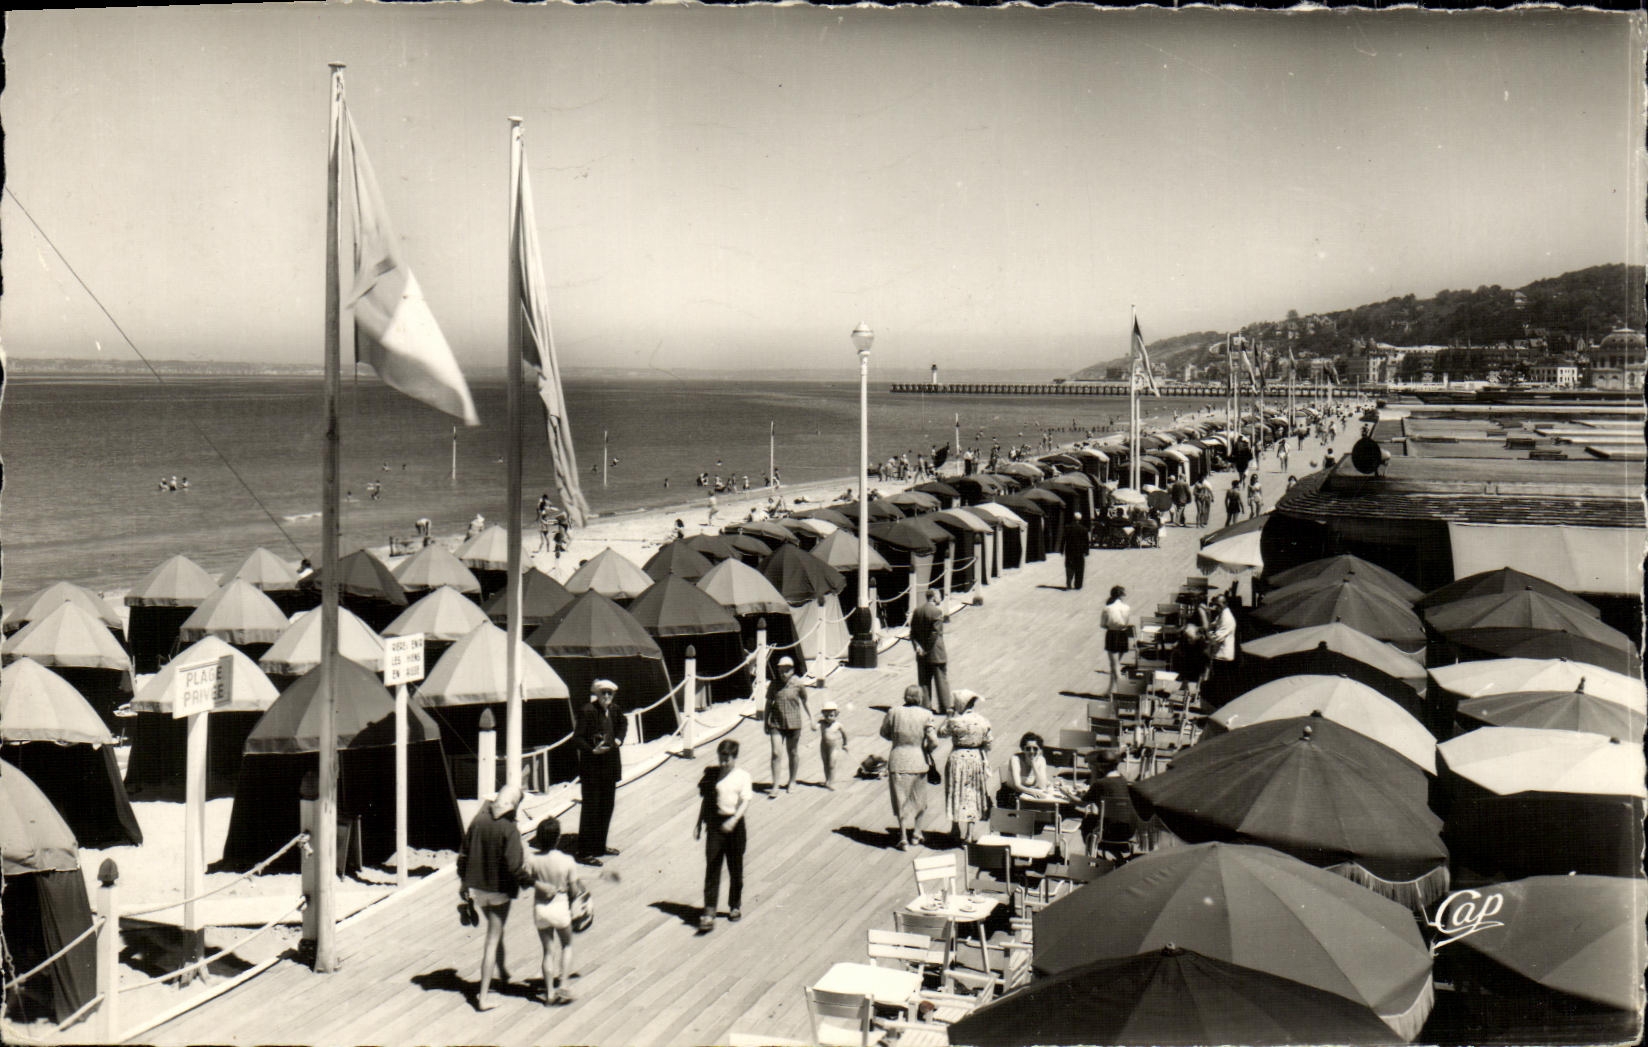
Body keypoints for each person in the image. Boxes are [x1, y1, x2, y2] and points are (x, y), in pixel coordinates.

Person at [458, 784, 526, 1012]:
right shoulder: (509, 829)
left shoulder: (478, 821)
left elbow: (463, 856)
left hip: (477, 889)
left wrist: (463, 884)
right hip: (498, 890)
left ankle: (503, 972)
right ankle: (483, 997)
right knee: (492, 938)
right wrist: (531, 881)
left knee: (495, 931)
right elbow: (514, 866)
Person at [696, 738, 753, 932]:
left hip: (734, 826)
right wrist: (698, 823)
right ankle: (709, 910)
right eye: (721, 757)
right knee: (712, 866)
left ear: (734, 757)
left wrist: (733, 820)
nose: (723, 762)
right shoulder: (712, 774)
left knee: (735, 868)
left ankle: (734, 905)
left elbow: (745, 801)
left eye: (727, 758)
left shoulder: (743, 776)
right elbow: (706, 801)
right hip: (715, 825)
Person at [523, 816, 581, 1006]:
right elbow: (573, 891)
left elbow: (526, 880)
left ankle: (548, 994)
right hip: (560, 907)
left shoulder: (532, 860)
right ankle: (563, 983)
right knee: (567, 945)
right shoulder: (567, 860)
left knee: (548, 951)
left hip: (540, 909)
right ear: (558, 838)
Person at [573, 680, 627, 866]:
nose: (606, 697)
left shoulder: (615, 710)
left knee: (606, 807)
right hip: (592, 769)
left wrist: (619, 739)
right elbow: (577, 738)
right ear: (596, 694)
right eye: (603, 693)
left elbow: (623, 724)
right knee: (591, 809)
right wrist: (591, 750)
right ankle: (584, 851)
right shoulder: (587, 711)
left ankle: (599, 846)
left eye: (609, 694)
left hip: (610, 767)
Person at [880, 685, 939, 850]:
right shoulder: (926, 715)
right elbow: (934, 741)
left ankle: (903, 836)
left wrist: (896, 739)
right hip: (918, 759)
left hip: (898, 758)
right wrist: (926, 749)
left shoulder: (894, 712)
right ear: (920, 698)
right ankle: (917, 833)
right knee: (920, 800)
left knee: (900, 800)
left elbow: (884, 733)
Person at [939, 690, 993, 844]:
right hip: (975, 758)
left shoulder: (955, 721)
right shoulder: (983, 720)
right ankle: (970, 833)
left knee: (955, 791)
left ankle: (955, 827)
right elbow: (988, 743)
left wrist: (948, 716)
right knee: (973, 793)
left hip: (957, 758)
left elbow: (941, 733)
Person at [761, 655, 818, 795]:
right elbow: (768, 703)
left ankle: (792, 781)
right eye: (781, 670)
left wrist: (812, 719)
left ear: (792, 670)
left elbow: (805, 701)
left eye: (786, 670)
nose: (783, 673)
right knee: (775, 753)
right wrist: (765, 722)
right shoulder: (774, 684)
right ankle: (775, 785)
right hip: (776, 723)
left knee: (792, 752)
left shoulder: (798, 683)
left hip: (794, 723)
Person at [1076, 748, 1140, 861]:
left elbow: (1081, 803)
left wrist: (1065, 793)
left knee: (1088, 821)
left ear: (1100, 767)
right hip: (1128, 830)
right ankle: (1119, 859)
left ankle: (1096, 858)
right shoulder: (1123, 780)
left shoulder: (1101, 784)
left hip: (1108, 832)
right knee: (1102, 820)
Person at [1002, 732, 1080, 807]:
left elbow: (1042, 785)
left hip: (1028, 794)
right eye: (1028, 748)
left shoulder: (1041, 760)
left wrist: (1033, 763)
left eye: (1035, 749)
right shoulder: (1015, 759)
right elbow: (1017, 785)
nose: (1031, 751)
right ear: (1023, 749)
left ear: (1040, 750)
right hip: (1012, 795)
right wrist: (1032, 792)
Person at [909, 589, 953, 714]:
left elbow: (912, 633)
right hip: (935, 652)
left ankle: (925, 706)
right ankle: (945, 707)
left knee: (924, 681)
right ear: (934, 597)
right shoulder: (937, 612)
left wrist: (918, 647)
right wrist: (927, 649)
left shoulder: (917, 611)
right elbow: (935, 633)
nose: (940, 598)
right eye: (939, 596)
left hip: (921, 653)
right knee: (941, 679)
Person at [1100, 586, 1131, 700]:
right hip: (1123, 635)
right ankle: (1109, 690)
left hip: (1112, 635)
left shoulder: (1107, 608)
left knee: (1115, 665)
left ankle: (1123, 692)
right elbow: (1126, 622)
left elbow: (1102, 624)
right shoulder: (1126, 608)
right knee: (1116, 664)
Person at [817, 699, 849, 791]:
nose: (828, 718)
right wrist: (814, 725)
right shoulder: (822, 723)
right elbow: (815, 727)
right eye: (826, 716)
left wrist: (845, 744)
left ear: (836, 714)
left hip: (833, 748)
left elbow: (844, 734)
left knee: (832, 764)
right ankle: (827, 780)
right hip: (823, 746)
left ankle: (832, 782)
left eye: (831, 716)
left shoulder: (838, 725)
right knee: (825, 763)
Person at [1061, 511, 1089, 591]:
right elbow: (1086, 542)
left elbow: (1064, 539)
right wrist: (1086, 551)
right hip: (1080, 551)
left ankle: (1069, 581)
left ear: (1073, 518)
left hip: (1069, 550)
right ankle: (1078, 585)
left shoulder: (1067, 527)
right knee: (1079, 567)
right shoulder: (1084, 529)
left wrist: (1061, 549)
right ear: (1080, 519)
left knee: (1069, 566)